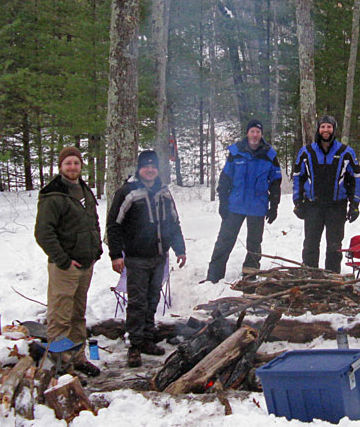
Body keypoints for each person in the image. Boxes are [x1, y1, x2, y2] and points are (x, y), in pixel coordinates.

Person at [107, 150, 187, 368]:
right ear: (139, 169)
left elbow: (173, 222)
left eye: (153, 166)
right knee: (137, 302)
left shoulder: (164, 192)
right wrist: (115, 255)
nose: (150, 170)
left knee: (153, 300)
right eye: (146, 166)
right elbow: (114, 225)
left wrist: (180, 249)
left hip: (159, 256)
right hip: (136, 257)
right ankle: (134, 344)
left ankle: (147, 339)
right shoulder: (128, 192)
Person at [34, 146, 102, 377]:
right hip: (65, 267)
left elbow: (93, 222)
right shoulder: (53, 195)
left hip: (85, 263)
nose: (72, 167)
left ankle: (78, 357)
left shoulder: (84, 190)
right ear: (61, 166)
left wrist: (97, 250)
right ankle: (62, 365)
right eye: (68, 163)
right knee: (60, 317)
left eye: (76, 163)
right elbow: (44, 233)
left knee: (77, 314)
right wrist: (63, 260)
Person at [205, 119, 282, 283]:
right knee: (224, 241)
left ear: (261, 135)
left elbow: (275, 182)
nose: (255, 135)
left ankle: (250, 275)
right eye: (252, 131)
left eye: (258, 132)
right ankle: (214, 276)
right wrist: (223, 202)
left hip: (258, 206)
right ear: (247, 133)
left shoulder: (270, 155)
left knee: (254, 244)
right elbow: (225, 179)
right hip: (235, 205)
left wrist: (274, 205)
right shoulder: (235, 152)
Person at [292, 115, 360, 273]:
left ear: (334, 129)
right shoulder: (306, 152)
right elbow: (298, 177)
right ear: (318, 129)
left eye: (329, 127)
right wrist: (297, 202)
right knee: (310, 244)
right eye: (323, 127)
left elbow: (356, 179)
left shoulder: (346, 152)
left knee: (334, 246)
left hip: (336, 206)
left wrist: (355, 205)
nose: (326, 130)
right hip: (313, 206)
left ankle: (332, 277)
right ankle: (310, 275)